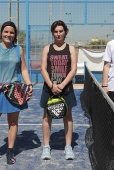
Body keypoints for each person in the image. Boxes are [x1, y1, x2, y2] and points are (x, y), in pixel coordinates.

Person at [0, 21, 33, 164]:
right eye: (6, 32)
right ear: (1, 33)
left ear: (15, 35)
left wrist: (29, 84)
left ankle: (10, 151)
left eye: (11, 32)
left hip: (14, 90)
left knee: (13, 122)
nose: (8, 34)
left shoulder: (19, 50)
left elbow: (23, 69)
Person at [40, 20, 77, 160]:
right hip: (49, 89)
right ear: (52, 33)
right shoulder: (47, 49)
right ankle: (46, 147)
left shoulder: (71, 49)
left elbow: (73, 69)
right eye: (55, 31)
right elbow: (43, 68)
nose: (58, 34)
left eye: (61, 31)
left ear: (65, 32)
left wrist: (62, 85)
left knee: (67, 117)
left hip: (66, 89)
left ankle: (68, 147)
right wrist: (52, 85)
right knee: (46, 117)